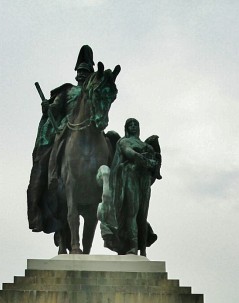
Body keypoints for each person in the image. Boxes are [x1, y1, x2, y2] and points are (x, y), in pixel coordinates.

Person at [27, 45, 97, 237]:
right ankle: (53, 176)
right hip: (68, 128)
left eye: (86, 72)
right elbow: (55, 108)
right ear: (76, 74)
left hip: (92, 129)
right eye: (80, 72)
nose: (82, 75)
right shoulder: (68, 91)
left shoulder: (94, 91)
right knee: (56, 147)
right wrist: (47, 106)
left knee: (111, 142)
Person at [102, 118, 160, 255]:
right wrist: (140, 157)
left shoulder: (147, 146)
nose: (133, 126)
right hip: (130, 176)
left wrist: (152, 162)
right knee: (131, 213)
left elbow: (155, 164)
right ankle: (133, 246)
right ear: (126, 128)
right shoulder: (123, 141)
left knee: (142, 215)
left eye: (136, 124)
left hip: (144, 179)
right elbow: (128, 152)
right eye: (130, 124)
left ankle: (143, 250)